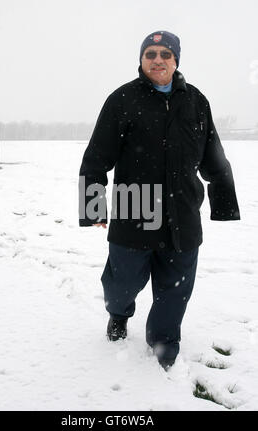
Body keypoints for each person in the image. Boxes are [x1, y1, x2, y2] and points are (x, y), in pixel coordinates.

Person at [78, 31, 240, 370]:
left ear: (176, 60)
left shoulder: (196, 102)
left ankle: (165, 341)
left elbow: (215, 157)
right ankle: (118, 314)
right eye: (150, 53)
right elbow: (96, 158)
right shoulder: (122, 100)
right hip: (134, 210)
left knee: (174, 289)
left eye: (166, 53)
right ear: (141, 60)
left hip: (182, 213)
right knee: (122, 284)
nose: (158, 59)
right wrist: (94, 205)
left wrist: (223, 203)